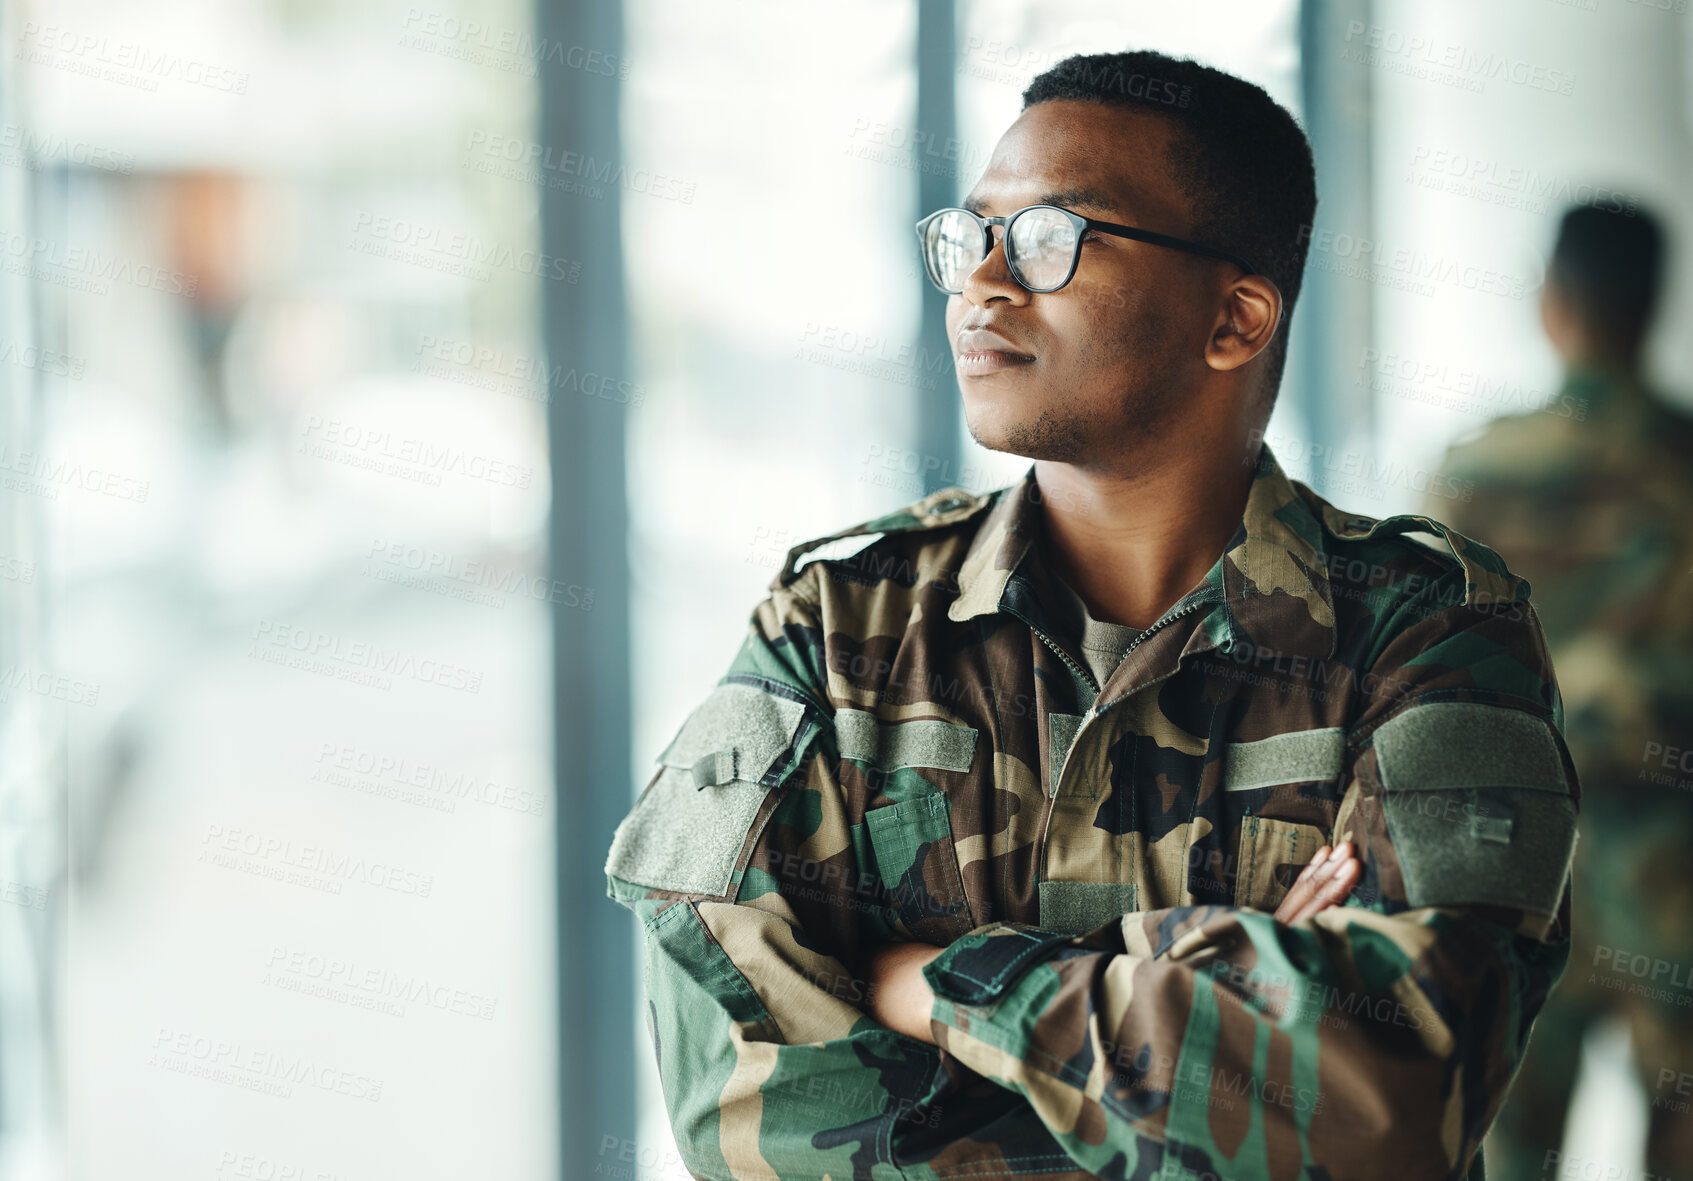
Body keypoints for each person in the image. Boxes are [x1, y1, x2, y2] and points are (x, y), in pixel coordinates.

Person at [606, 49, 1578, 1180]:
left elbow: (1379, 1103)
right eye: (972, 237)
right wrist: (1215, 1012)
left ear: (1235, 317)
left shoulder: (1426, 635)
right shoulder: (838, 627)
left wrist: (931, 977)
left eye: (1050, 237)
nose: (984, 284)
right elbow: (746, 1111)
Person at [1426, 204, 1693, 1181]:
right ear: (1652, 302)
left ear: (1553, 303)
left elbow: (1422, 688)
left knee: (1507, 1139)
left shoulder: (1471, 467)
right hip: (1672, 855)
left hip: (1514, 865)